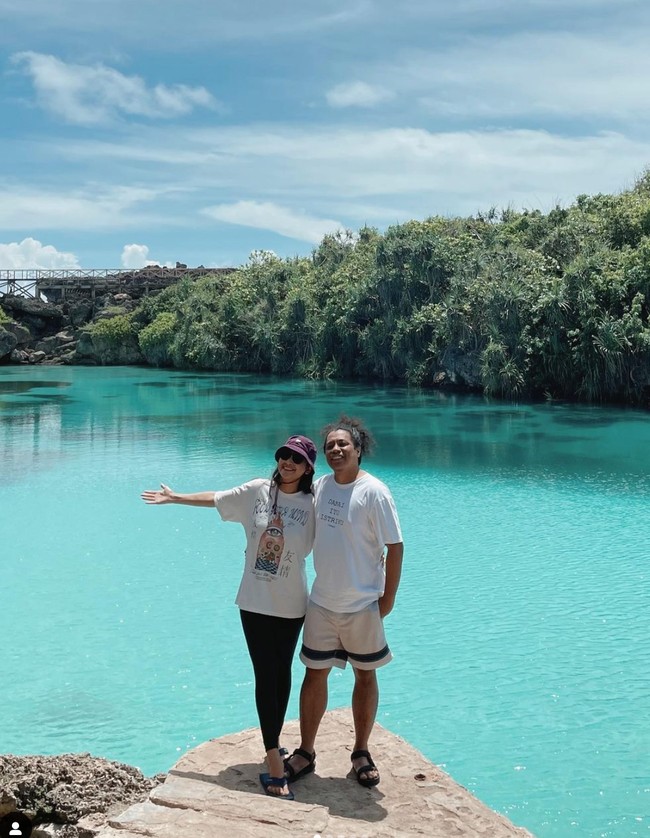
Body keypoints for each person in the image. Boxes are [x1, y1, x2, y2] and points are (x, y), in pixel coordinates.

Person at [141, 434, 317, 801]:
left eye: (296, 459)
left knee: (280, 674)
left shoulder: (313, 503)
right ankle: (272, 757)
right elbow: (217, 498)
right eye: (283, 455)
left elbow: (341, 533)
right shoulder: (257, 491)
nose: (287, 462)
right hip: (253, 601)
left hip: (291, 605)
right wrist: (175, 498)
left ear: (307, 468)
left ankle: (275, 743)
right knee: (263, 675)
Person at [283, 415, 403, 789]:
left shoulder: (375, 492)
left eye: (343, 445)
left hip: (363, 603)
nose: (336, 450)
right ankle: (305, 751)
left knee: (365, 675)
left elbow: (395, 547)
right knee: (313, 674)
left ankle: (361, 752)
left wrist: (388, 599)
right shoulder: (320, 486)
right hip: (321, 601)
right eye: (331, 445)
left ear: (358, 449)